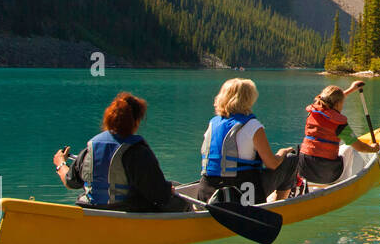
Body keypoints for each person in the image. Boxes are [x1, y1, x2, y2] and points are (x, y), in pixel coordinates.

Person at [54, 91, 187, 212]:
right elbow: (159, 196)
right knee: (181, 202)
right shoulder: (138, 152)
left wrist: (60, 163)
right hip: (126, 212)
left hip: (92, 210)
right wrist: (167, 190)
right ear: (135, 122)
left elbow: (70, 181)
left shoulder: (90, 149)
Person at [200, 77, 298, 205]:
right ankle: (278, 205)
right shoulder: (253, 126)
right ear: (248, 99)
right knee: (291, 159)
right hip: (241, 192)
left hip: (207, 191)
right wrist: (282, 152)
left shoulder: (213, 123)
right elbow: (272, 164)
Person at [296, 81, 380, 185]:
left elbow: (328, 101)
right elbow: (359, 147)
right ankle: (346, 183)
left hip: (304, 169)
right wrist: (373, 148)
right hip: (328, 174)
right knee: (349, 149)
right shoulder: (339, 125)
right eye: (342, 103)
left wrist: (351, 89)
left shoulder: (312, 113)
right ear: (337, 104)